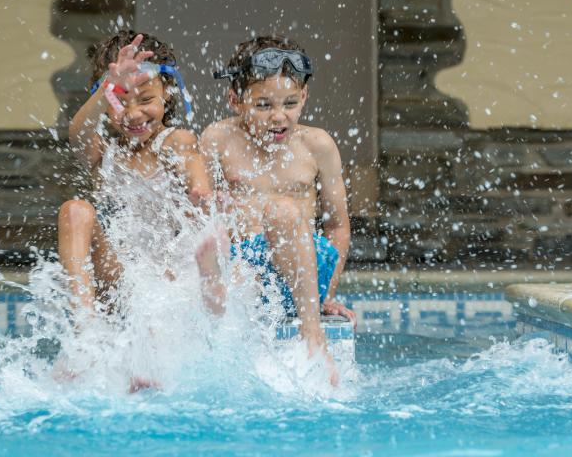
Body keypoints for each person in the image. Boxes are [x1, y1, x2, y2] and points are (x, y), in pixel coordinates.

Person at [201, 35, 354, 385]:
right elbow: (205, 214)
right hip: (246, 272)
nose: (278, 117)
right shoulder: (218, 139)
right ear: (235, 100)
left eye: (289, 103)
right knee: (212, 244)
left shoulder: (317, 144)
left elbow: (338, 227)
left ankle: (313, 336)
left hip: (304, 270)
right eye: (263, 105)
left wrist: (325, 292)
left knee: (282, 211)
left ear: (304, 97)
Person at [57, 29, 224, 317]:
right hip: (125, 280)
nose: (133, 114)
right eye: (120, 101)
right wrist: (108, 84)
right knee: (74, 211)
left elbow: (190, 159)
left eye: (145, 99)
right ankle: (85, 325)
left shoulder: (173, 140)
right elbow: (78, 135)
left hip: (173, 277)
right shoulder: (104, 155)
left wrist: (200, 189)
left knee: (197, 237)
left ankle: (211, 280)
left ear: (167, 93)